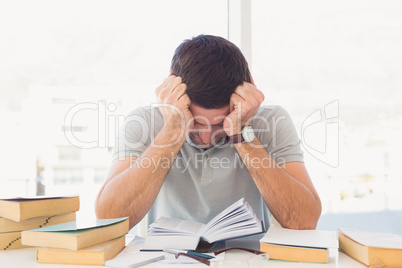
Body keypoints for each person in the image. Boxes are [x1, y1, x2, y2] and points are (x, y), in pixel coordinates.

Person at [95, 34, 322, 231]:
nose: (206, 138)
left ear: (249, 89)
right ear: (171, 88)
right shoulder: (143, 121)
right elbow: (109, 219)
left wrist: (240, 133)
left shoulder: (272, 121)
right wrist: (172, 131)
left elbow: (304, 221)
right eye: (195, 122)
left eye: (220, 124)